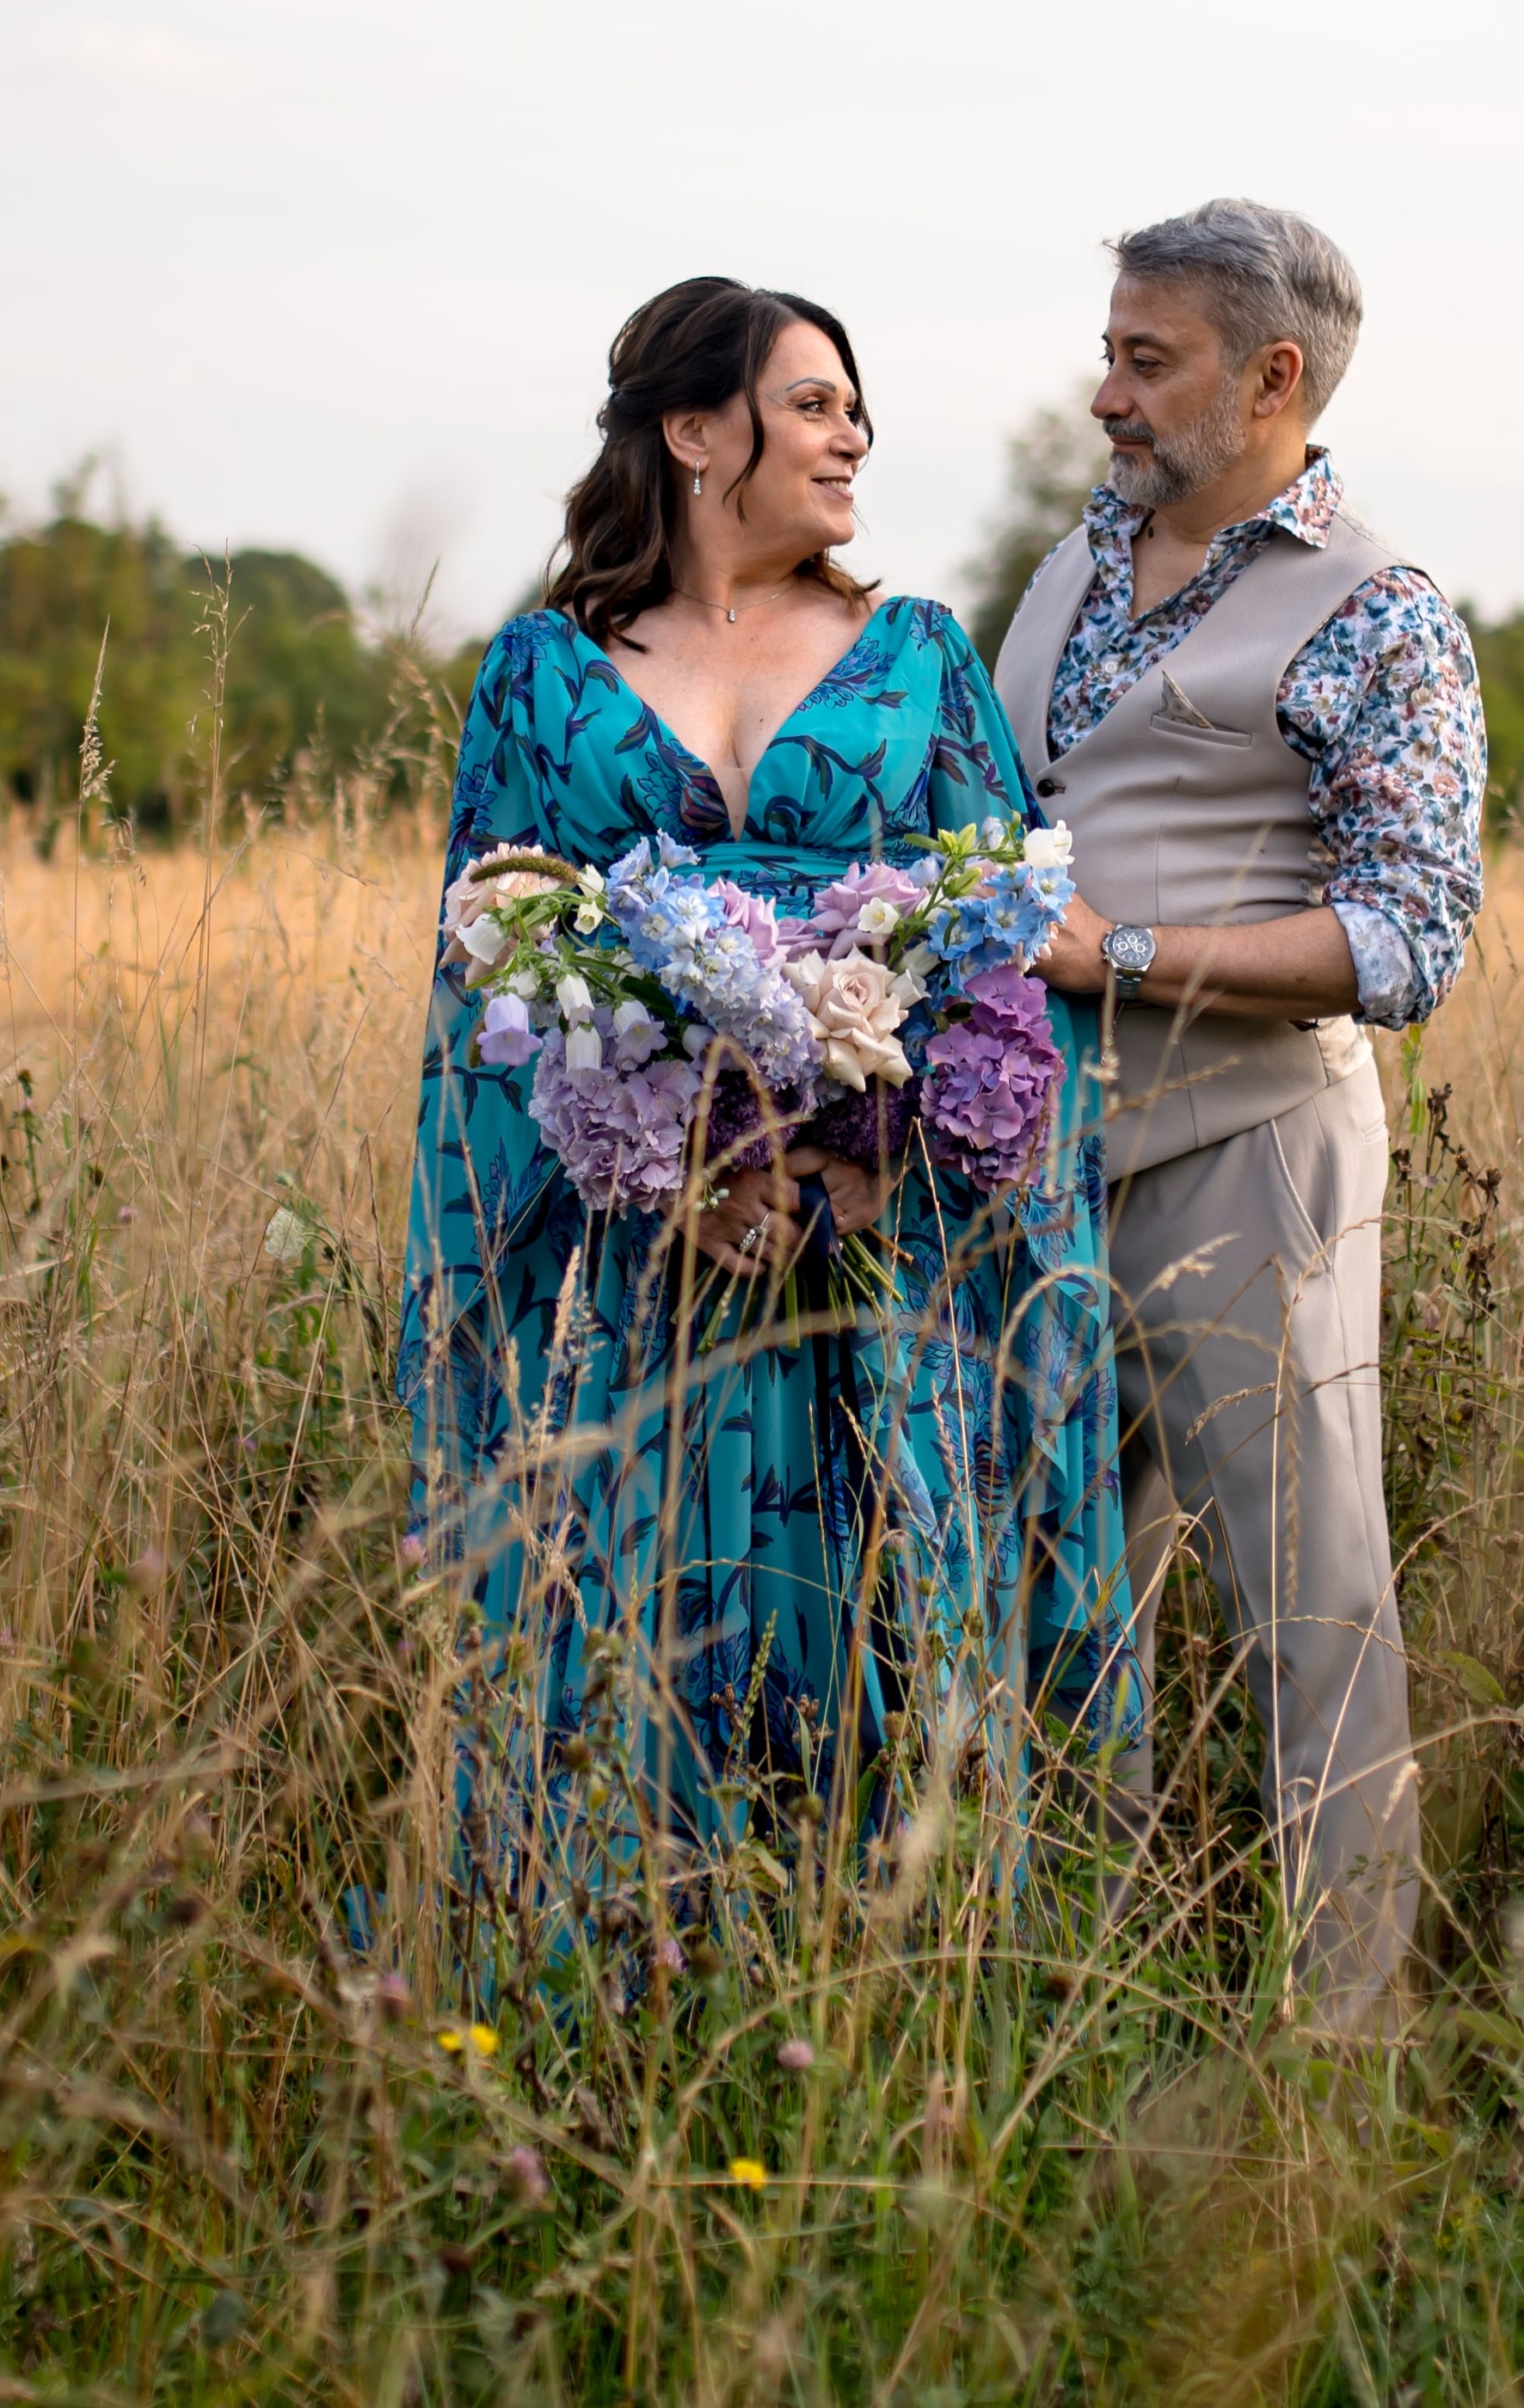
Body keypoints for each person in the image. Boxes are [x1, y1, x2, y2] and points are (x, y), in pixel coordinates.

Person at [403, 275, 1138, 1920]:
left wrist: (884, 1163)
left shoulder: (918, 659)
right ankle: (639, 2018)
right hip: (655, 1281)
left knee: (898, 1635)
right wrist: (678, 1167)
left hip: (885, 1267)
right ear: (690, 430)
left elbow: (999, 954)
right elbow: (493, 972)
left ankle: (901, 2024)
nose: (851, 432)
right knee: (646, 1632)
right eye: (812, 402)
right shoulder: (540, 676)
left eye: (851, 406)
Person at [995, 198, 1484, 2032]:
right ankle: (1071, 2006)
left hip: (1248, 1148)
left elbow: (1405, 931)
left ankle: (1340, 2052)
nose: (1106, 390)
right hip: (1038, 1167)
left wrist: (1116, 950)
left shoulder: (1380, 612)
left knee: (1308, 1610)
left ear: (1271, 376)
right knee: (1062, 1594)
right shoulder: (1066, 567)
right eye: (1109, 348)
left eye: (1148, 356)